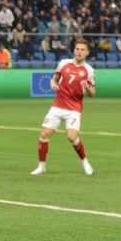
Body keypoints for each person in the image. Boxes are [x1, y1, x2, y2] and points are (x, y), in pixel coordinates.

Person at [31, 38, 95, 176]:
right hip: (58, 106)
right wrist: (53, 84)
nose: (79, 52)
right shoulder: (63, 64)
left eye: (82, 50)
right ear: (74, 50)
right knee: (44, 134)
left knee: (72, 137)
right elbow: (54, 78)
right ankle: (41, 166)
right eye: (77, 49)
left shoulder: (89, 71)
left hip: (74, 109)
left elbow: (93, 93)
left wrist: (88, 87)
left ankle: (84, 161)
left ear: (87, 52)